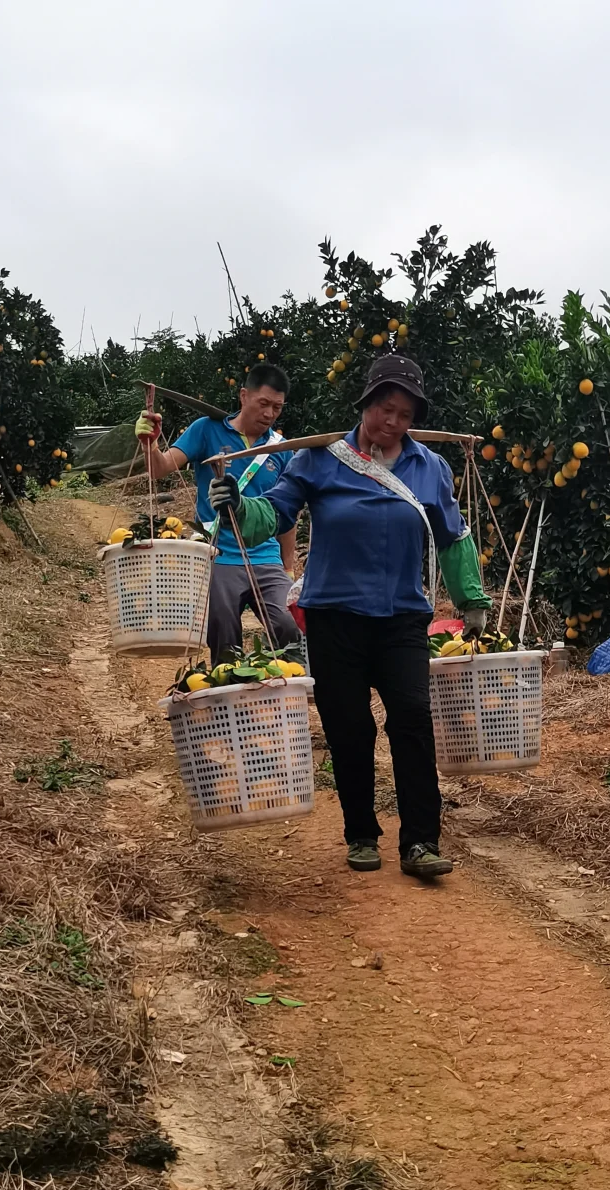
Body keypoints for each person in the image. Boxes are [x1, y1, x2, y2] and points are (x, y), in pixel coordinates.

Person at [208, 354, 491, 880]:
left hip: (403, 618)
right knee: (349, 728)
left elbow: (453, 537)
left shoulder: (429, 468)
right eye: (386, 409)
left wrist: (471, 603)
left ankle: (421, 843)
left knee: (411, 722)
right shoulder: (319, 459)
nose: (394, 423)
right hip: (334, 616)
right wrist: (237, 508)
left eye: (405, 415)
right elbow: (274, 513)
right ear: (365, 403)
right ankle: (361, 832)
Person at [134, 364, 300, 662]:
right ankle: (227, 704)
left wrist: (288, 568)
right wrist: (151, 444)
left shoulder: (282, 450)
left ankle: (282, 699)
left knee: (290, 626)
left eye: (277, 407)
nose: (269, 414)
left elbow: (286, 514)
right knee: (224, 638)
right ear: (243, 396)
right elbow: (160, 468)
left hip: (266, 557)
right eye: (263, 404)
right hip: (218, 556)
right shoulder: (206, 430)